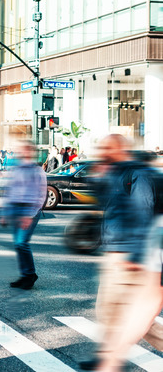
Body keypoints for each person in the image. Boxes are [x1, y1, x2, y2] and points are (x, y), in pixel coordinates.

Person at [79, 134, 163, 371]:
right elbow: (102, 202)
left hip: (130, 253)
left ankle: (109, 356)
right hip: (114, 252)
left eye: (107, 147)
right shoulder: (115, 172)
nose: (102, 150)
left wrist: (136, 256)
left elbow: (143, 212)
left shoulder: (138, 174)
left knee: (129, 314)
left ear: (120, 149)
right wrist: (98, 174)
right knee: (110, 310)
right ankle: (108, 353)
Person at [1, 140, 47, 290]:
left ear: (31, 151)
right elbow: (10, 191)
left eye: (24, 149)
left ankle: (30, 275)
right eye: (20, 150)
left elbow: (40, 195)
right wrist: (5, 213)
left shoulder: (37, 171)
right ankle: (25, 275)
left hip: (29, 211)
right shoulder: (16, 169)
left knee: (22, 243)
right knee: (18, 245)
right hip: (15, 209)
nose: (21, 152)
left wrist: (29, 215)